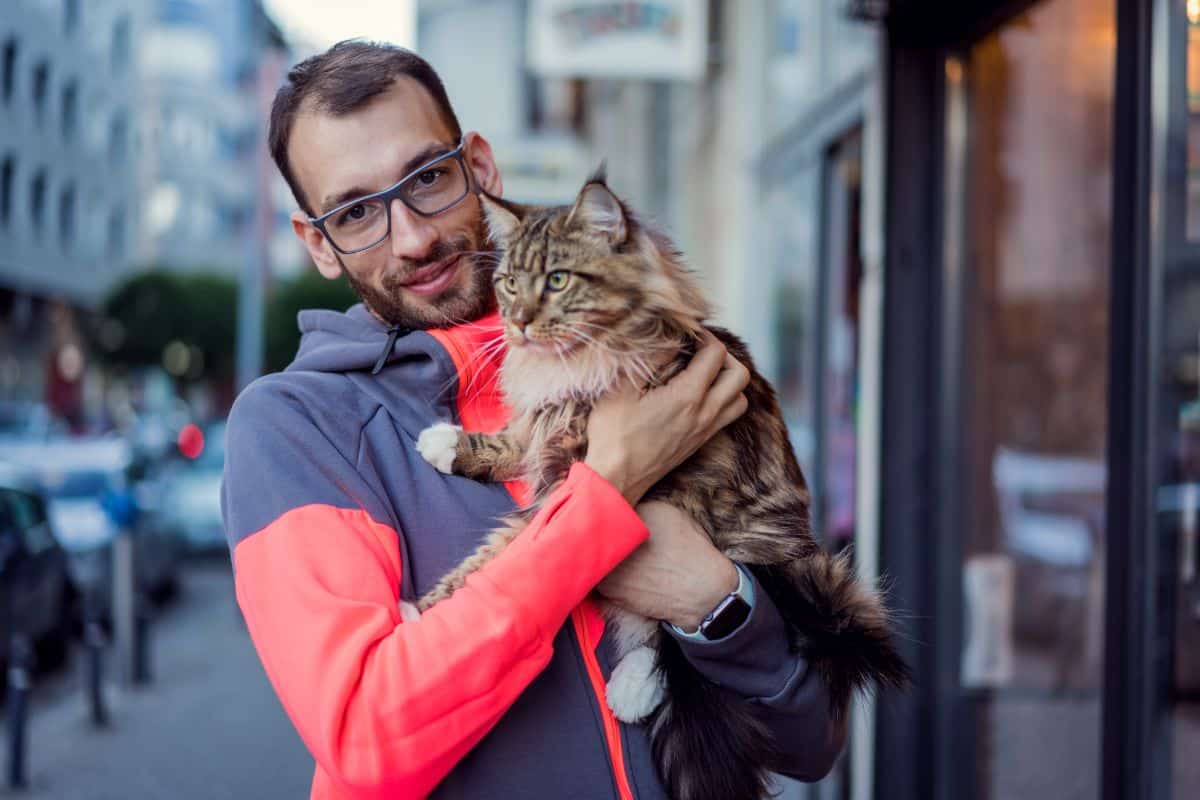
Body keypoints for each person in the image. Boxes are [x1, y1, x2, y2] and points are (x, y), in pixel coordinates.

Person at [221, 39, 846, 800]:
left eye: (427, 178)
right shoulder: (293, 426)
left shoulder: (656, 367)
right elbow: (366, 737)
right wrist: (609, 490)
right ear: (317, 243)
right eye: (356, 212)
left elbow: (814, 742)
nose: (413, 237)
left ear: (479, 169)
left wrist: (714, 602)